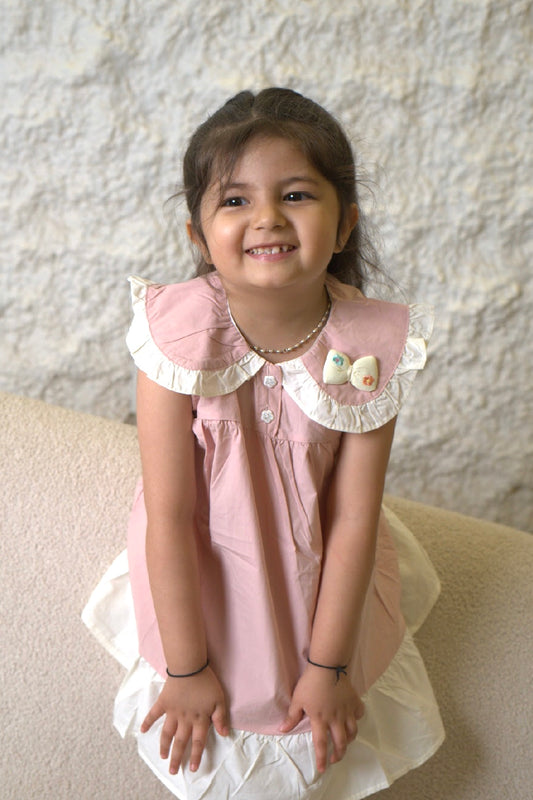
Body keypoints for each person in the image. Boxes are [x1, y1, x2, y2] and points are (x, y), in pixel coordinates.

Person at [83, 87, 444, 799]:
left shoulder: (367, 346)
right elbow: (169, 512)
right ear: (198, 234)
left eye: (297, 194)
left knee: (317, 724)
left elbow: (351, 518)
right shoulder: (175, 336)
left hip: (321, 560)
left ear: (344, 226)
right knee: (224, 725)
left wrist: (329, 667)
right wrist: (187, 671)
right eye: (236, 200)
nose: (268, 218)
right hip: (206, 560)